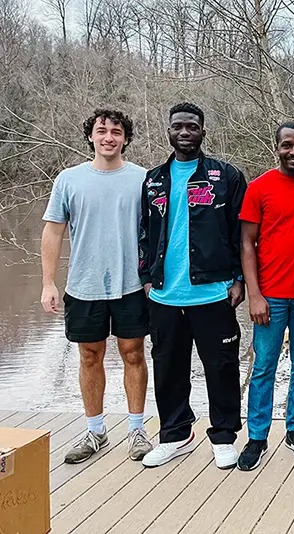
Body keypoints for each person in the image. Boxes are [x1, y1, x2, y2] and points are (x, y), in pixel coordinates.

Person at [139, 102, 247, 470]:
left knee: (221, 366)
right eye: (178, 127)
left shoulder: (225, 175)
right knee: (168, 366)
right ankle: (175, 434)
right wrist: (145, 278)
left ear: (203, 131)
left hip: (212, 291)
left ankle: (224, 436)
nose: (184, 133)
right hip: (165, 294)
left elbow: (239, 233)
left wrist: (238, 278)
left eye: (192, 127)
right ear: (168, 131)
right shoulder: (154, 178)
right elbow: (144, 233)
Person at [41, 109, 152, 464]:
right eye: (102, 131)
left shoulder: (143, 179)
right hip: (84, 285)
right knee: (90, 356)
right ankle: (95, 431)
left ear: (125, 138)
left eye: (116, 132)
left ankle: (137, 429)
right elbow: (53, 231)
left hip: (131, 285)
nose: (109, 137)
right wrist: (48, 283)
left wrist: (154, 279)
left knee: (133, 354)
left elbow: (157, 233)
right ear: (90, 136)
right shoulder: (69, 180)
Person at [236, 122, 294, 471]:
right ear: (278, 147)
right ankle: (257, 436)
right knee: (264, 367)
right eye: (288, 145)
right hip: (269, 296)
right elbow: (246, 244)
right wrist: (254, 294)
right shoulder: (259, 188)